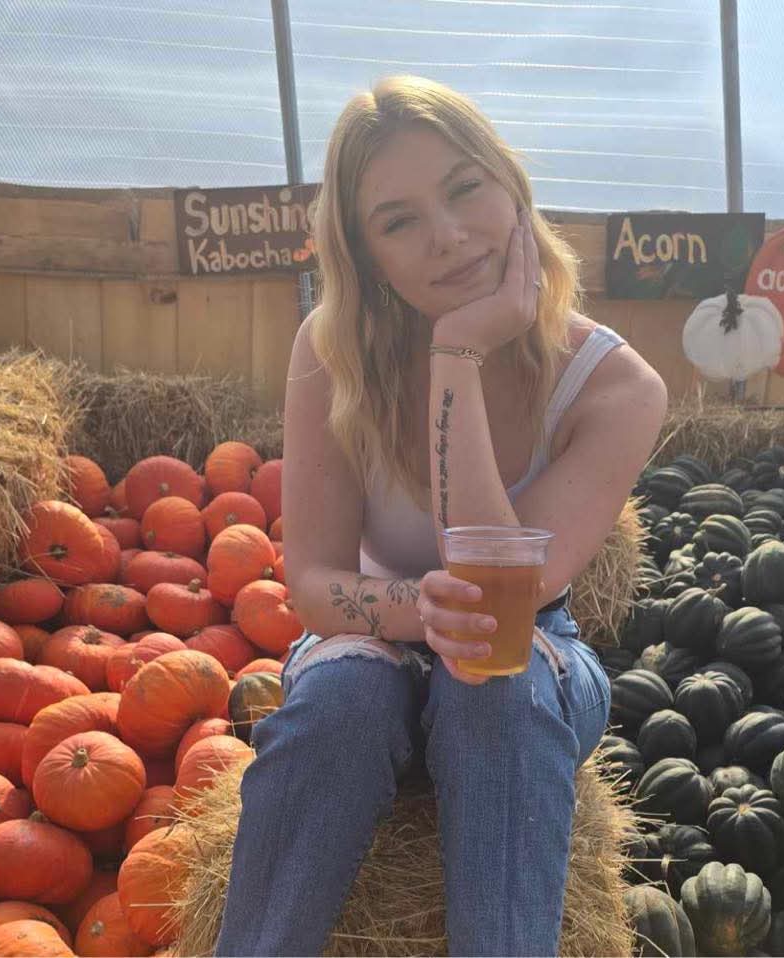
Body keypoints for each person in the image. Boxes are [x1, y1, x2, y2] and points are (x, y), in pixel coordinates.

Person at [214, 74, 668, 958]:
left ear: (512, 185)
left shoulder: (616, 386)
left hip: (530, 655)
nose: (448, 235)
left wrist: (457, 351)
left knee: (492, 686)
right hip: (374, 629)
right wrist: (417, 611)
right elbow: (313, 582)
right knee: (341, 699)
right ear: (366, 255)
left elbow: (502, 599)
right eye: (399, 221)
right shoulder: (330, 350)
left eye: (465, 188)